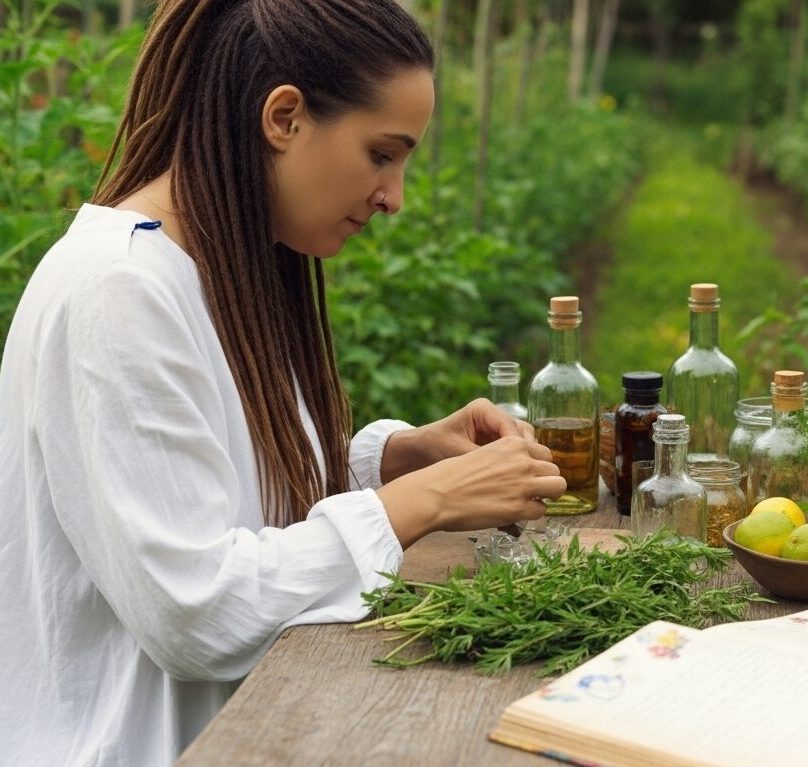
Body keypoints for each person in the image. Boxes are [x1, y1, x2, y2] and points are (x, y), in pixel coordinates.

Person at [0, 1, 566, 764]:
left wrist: (395, 459)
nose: (393, 196)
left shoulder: (216, 265)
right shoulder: (119, 289)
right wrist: (422, 504)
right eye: (381, 154)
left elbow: (220, 484)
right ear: (285, 117)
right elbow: (195, 608)